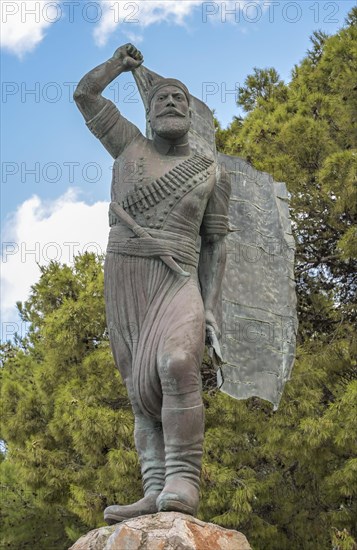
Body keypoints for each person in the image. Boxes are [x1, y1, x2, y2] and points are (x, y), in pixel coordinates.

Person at [74, 43, 230, 523]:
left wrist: (211, 309)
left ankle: (184, 477)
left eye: (179, 98)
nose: (170, 103)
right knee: (139, 390)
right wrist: (118, 66)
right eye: (161, 97)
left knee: (178, 362)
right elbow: (84, 94)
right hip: (126, 275)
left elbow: (216, 245)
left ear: (190, 113)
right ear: (147, 110)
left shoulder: (210, 173)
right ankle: (154, 486)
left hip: (179, 275)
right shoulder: (128, 145)